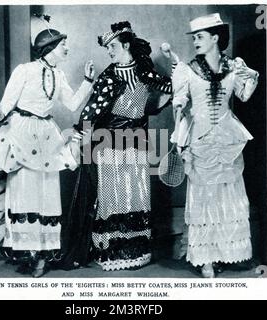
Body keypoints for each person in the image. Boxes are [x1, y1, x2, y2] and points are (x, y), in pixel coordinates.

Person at [60, 21, 178, 271]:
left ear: (126, 45)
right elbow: (91, 111)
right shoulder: (109, 76)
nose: (109, 51)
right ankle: (113, 253)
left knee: (136, 194)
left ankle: (136, 251)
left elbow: (173, 86)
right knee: (114, 196)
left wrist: (173, 65)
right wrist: (78, 138)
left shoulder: (146, 71)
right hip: (110, 142)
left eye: (113, 46)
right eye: (108, 47)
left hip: (138, 141)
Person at [0, 28, 95, 277]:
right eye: (63, 44)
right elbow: (4, 108)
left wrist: (88, 81)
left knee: (47, 193)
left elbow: (73, 104)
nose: (67, 48)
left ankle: (42, 258)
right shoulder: (24, 71)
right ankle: (29, 253)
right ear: (49, 47)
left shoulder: (59, 75)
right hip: (22, 132)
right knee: (24, 193)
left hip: (47, 136)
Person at [171, 13, 259, 277]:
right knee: (204, 198)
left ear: (215, 38)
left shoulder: (234, 67)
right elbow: (180, 106)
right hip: (200, 137)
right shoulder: (187, 70)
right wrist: (179, 139)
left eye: (200, 37)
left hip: (228, 138)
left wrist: (249, 74)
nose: (196, 42)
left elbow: (244, 96)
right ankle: (206, 258)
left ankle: (227, 253)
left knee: (228, 195)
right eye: (195, 37)